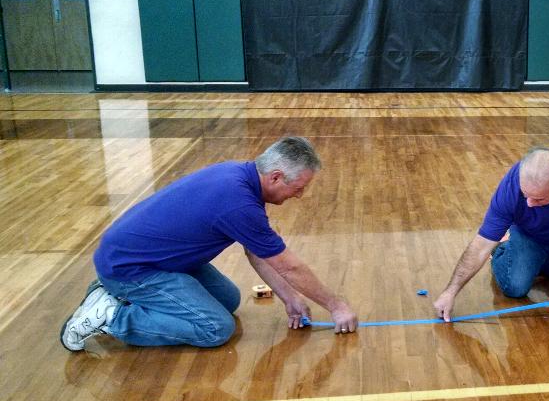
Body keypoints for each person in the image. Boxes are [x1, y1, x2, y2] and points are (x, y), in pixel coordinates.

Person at [60, 136, 358, 351]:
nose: (299, 195)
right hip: (130, 269)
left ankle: (112, 296)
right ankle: (112, 317)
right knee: (215, 328)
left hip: (149, 259)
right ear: (277, 177)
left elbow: (256, 251)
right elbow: (289, 267)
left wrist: (290, 298)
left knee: (227, 299)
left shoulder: (239, 177)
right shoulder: (238, 203)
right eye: (299, 188)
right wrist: (336, 306)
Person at [433, 147, 549, 322]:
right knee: (515, 287)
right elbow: (481, 245)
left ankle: (545, 262)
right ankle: (502, 250)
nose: (529, 203)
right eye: (525, 194)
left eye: (539, 198)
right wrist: (450, 292)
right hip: (530, 236)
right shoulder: (510, 189)